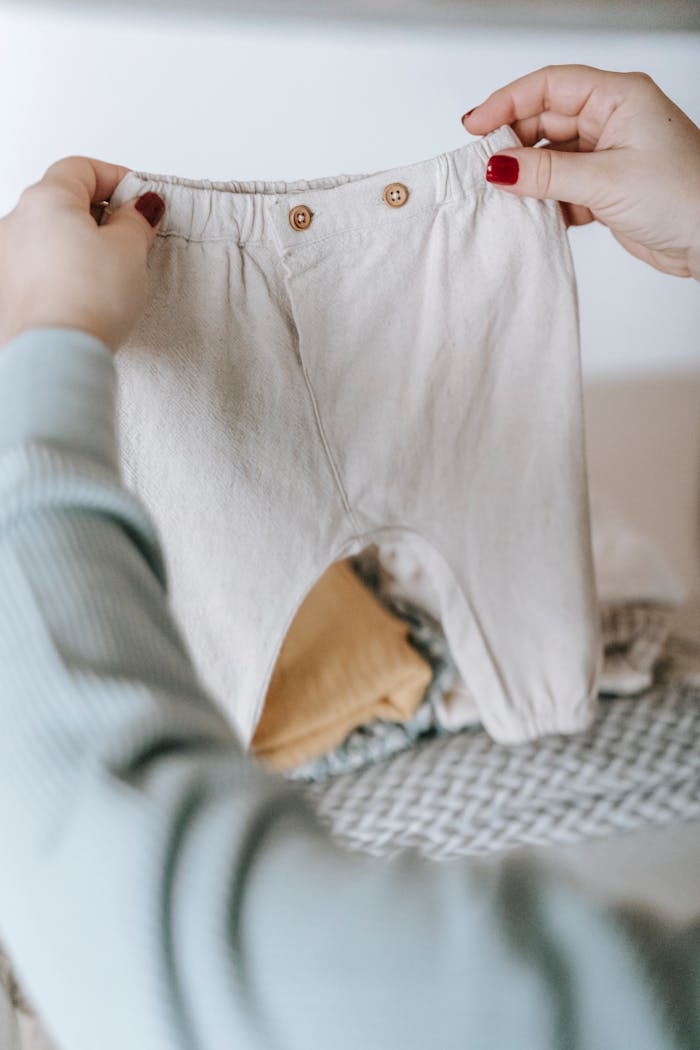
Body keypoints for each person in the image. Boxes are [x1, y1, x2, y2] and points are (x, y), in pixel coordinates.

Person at [0, 63, 697, 1050]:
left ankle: (532, 689)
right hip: (302, 273)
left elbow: (134, 900)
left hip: (465, 243)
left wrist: (44, 346)